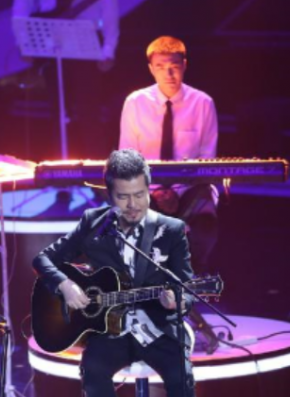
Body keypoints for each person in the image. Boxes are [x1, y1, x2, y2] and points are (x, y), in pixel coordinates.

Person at [33, 149, 195, 397]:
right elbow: (43, 258)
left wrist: (179, 300)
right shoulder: (93, 222)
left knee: (181, 376)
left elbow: (185, 285)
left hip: (157, 327)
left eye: (140, 194)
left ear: (150, 189)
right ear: (110, 195)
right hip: (111, 330)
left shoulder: (171, 230)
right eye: (124, 197)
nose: (133, 204)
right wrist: (65, 284)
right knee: (92, 369)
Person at [119, 35, 220, 352]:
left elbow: (208, 161)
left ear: (185, 66)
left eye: (175, 67)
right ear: (151, 68)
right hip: (147, 190)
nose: (169, 74)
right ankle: (145, 315)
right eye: (161, 67)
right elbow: (127, 157)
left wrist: (176, 190)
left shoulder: (202, 103)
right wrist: (157, 191)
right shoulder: (135, 102)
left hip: (189, 189)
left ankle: (187, 304)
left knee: (202, 218)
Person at [11, 0, 119, 158]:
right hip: (52, 44)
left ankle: (97, 168)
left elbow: (110, 12)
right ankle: (62, 166)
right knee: (58, 112)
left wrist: (108, 50)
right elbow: (21, 9)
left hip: (86, 43)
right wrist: (24, 42)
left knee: (89, 112)